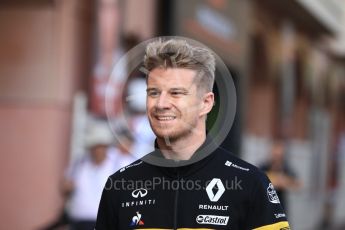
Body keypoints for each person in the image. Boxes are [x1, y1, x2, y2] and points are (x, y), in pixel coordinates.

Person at [95, 38, 291, 229]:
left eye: (176, 93)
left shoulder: (250, 183)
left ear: (205, 103)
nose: (161, 104)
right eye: (154, 92)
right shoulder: (120, 185)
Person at [260, 139, 301, 213]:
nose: (277, 158)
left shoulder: (286, 168)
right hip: (265, 207)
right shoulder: (263, 167)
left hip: (280, 208)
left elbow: (298, 184)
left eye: (279, 156)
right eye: (275, 155)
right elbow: (257, 180)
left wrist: (285, 182)